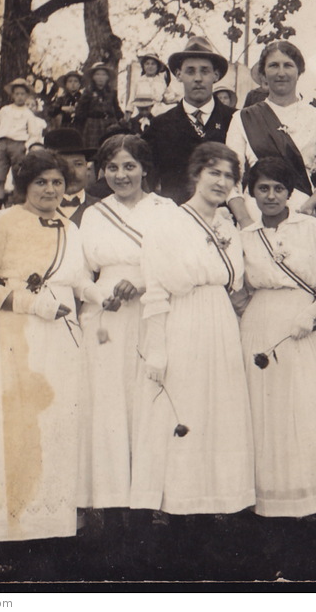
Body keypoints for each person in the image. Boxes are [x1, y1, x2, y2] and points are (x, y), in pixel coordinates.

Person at [0, 148, 87, 555]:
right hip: (15, 335)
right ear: (24, 186)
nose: (50, 190)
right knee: (12, 425)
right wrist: (32, 304)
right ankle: (6, 529)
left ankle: (50, 525)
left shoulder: (70, 227)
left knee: (54, 426)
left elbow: (79, 282)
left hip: (60, 339)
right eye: (41, 182)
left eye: (57, 182)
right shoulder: (0, 222)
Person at [131, 142, 255, 515]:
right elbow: (155, 288)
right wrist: (157, 348)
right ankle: (179, 513)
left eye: (229, 176)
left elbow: (234, 283)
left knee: (218, 414)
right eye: (214, 172)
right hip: (183, 321)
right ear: (196, 174)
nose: (221, 182)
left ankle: (214, 507)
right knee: (185, 411)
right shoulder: (167, 222)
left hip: (219, 320)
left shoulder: (228, 226)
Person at [238, 157, 316, 518]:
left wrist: (311, 316)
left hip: (302, 325)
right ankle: (268, 500)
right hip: (261, 324)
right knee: (265, 409)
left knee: (307, 406)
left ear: (290, 192)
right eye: (262, 189)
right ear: (251, 193)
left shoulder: (312, 228)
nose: (270, 196)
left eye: (278, 188)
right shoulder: (245, 237)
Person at [77, 135, 176, 511]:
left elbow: (176, 267)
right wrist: (100, 295)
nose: (121, 175)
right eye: (113, 167)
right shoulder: (94, 214)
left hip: (151, 310)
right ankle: (112, 502)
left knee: (148, 402)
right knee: (108, 403)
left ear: (145, 168)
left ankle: (151, 504)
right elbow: (81, 275)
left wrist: (142, 282)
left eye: (130, 166)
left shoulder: (165, 209)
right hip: (107, 317)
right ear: (103, 171)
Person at [225, 41, 316, 226]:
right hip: (255, 214)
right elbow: (230, 176)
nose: (281, 73)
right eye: (273, 66)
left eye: (288, 65)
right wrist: (244, 219)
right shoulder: (242, 118)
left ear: (299, 71)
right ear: (263, 74)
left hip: (302, 213)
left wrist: (310, 205)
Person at [143, 37, 236, 205]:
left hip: (225, 220)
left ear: (216, 75)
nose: (198, 78)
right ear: (179, 75)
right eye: (190, 71)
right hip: (176, 221)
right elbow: (146, 179)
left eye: (205, 71)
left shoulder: (235, 120)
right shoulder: (160, 125)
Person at [0, 78, 44, 204]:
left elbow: (34, 133)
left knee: (18, 173)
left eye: (22, 94)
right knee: (0, 174)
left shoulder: (28, 113)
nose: (19, 97)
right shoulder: (5, 110)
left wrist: (25, 146)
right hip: (3, 143)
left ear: (26, 96)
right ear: (12, 95)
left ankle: (17, 200)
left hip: (18, 144)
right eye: (17, 94)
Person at [46, 128, 98, 227]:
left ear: (87, 167)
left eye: (78, 164)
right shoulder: (34, 210)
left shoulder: (103, 208)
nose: (71, 173)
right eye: (62, 165)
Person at [75, 63, 124, 150]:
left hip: (110, 124)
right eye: (97, 74)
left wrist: (121, 119)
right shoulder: (88, 92)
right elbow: (80, 111)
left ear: (108, 77)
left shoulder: (112, 92)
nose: (100, 77)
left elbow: (116, 109)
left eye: (103, 74)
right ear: (93, 77)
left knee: (110, 148)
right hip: (93, 125)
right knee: (93, 149)